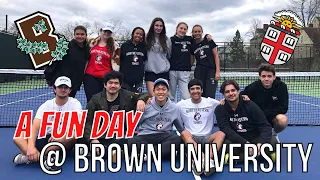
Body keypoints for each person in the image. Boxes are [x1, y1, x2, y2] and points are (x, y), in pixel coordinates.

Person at [13, 76, 82, 169]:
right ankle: (41, 157)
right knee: (18, 137)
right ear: (54, 89)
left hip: (61, 140)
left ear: (70, 90)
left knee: (73, 136)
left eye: (66, 87)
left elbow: (76, 127)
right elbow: (35, 126)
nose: (63, 89)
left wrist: (60, 136)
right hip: (45, 136)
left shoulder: (75, 104)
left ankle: (30, 157)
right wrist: (30, 146)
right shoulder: (46, 105)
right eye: (60, 87)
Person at [82, 71, 150, 160]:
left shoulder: (128, 96)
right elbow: (87, 121)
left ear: (120, 85)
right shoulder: (95, 100)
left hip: (120, 136)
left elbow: (145, 94)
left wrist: (141, 100)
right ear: (105, 85)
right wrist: (93, 139)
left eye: (116, 83)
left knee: (135, 142)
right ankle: (117, 152)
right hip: (101, 137)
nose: (113, 86)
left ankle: (113, 151)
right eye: (110, 83)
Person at [214, 80, 278, 164]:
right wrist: (246, 144)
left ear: (238, 91)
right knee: (224, 145)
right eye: (227, 92)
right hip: (237, 140)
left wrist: (261, 143)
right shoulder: (220, 109)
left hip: (254, 138)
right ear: (223, 94)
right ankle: (260, 155)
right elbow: (226, 130)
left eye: (233, 90)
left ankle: (238, 158)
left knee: (273, 141)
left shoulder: (250, 105)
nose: (231, 93)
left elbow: (265, 126)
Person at [178, 79, 225, 176]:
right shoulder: (182, 104)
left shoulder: (210, 102)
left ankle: (206, 160)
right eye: (192, 89)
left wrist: (243, 97)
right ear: (189, 91)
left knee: (221, 134)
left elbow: (225, 103)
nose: (195, 91)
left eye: (198, 88)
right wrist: (144, 100)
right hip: (191, 137)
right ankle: (205, 160)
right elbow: (167, 106)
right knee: (184, 133)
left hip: (207, 138)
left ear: (202, 90)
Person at [128, 78, 184, 160]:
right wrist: (139, 103)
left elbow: (180, 128)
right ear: (153, 91)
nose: (161, 92)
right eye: (158, 89)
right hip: (146, 136)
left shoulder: (174, 107)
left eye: (163, 89)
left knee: (177, 139)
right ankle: (159, 154)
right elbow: (136, 123)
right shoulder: (145, 104)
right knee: (132, 141)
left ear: (167, 91)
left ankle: (148, 155)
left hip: (163, 136)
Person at [241, 63, 288, 142]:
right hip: (255, 118)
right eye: (263, 76)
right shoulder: (253, 87)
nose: (266, 79)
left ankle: (274, 134)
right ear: (259, 77)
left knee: (282, 119)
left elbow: (284, 108)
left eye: (269, 76)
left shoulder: (281, 87)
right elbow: (239, 97)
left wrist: (265, 113)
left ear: (274, 77)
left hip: (271, 117)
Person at [168, 22, 212, 102]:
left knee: (186, 97)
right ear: (177, 29)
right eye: (181, 28)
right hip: (172, 71)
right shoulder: (171, 40)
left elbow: (199, 37)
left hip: (185, 72)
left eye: (185, 29)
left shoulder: (189, 40)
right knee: (171, 96)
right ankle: (171, 113)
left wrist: (207, 35)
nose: (182, 30)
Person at [44, 25, 90, 98]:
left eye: (82, 34)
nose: (80, 36)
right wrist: (49, 77)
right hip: (62, 82)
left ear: (86, 35)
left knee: (69, 105)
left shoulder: (87, 49)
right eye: (77, 34)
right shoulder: (66, 46)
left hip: (74, 83)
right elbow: (54, 62)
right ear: (74, 35)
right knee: (61, 104)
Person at [84, 25, 120, 102]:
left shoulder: (115, 47)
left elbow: (116, 62)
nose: (106, 33)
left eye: (109, 32)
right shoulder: (91, 43)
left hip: (105, 78)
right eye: (105, 31)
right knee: (91, 100)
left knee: (103, 101)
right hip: (90, 76)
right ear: (101, 31)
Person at [144, 17, 172, 96]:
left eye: (161, 26)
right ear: (153, 26)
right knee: (153, 97)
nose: (158, 28)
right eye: (156, 25)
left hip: (163, 71)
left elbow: (169, 55)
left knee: (162, 97)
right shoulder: (146, 38)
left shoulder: (167, 40)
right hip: (150, 71)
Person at [191, 25, 220, 99]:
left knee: (210, 95)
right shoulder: (192, 44)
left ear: (202, 32)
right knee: (200, 95)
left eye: (199, 31)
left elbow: (216, 56)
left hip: (210, 71)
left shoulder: (208, 40)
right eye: (195, 32)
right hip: (199, 72)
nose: (197, 33)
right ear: (193, 33)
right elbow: (191, 60)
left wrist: (217, 71)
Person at [119, 27, 147, 93]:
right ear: (133, 34)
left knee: (137, 99)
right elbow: (120, 60)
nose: (138, 36)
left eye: (141, 34)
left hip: (138, 80)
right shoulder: (125, 46)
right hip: (125, 80)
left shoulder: (144, 47)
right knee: (125, 100)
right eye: (137, 33)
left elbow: (144, 60)